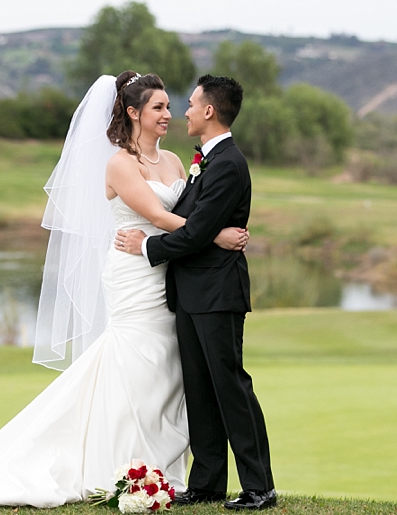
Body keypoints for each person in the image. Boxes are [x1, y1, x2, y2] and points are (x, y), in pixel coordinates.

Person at [0, 71, 247, 508]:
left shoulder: (174, 161)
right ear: (133, 113)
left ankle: (160, 470)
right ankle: (121, 464)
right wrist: (216, 235)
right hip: (134, 270)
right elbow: (157, 215)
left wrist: (202, 231)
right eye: (159, 107)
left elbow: (191, 213)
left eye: (171, 106)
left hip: (169, 274)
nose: (169, 114)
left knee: (168, 369)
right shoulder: (120, 164)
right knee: (134, 362)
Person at [115, 75, 276, 510]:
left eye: (189, 104)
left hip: (217, 293)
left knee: (230, 388)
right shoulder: (207, 159)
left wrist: (146, 246)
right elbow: (201, 226)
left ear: (209, 111)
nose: (182, 112)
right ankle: (206, 483)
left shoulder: (227, 164)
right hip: (190, 293)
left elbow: (196, 232)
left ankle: (259, 486)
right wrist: (213, 234)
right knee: (200, 391)